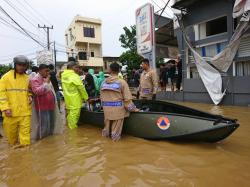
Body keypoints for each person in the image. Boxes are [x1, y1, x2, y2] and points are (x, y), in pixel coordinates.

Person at [100, 63, 139, 141]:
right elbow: (127, 100)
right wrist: (134, 109)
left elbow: (101, 97)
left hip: (107, 111)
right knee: (115, 135)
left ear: (109, 70)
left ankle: (105, 146)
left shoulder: (103, 83)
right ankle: (115, 147)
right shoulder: (122, 82)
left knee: (106, 132)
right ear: (119, 71)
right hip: (118, 112)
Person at [0, 55, 32, 147]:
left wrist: (30, 96)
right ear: (15, 65)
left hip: (25, 112)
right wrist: (5, 108)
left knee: (25, 139)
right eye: (19, 65)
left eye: (24, 65)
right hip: (10, 112)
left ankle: (25, 157)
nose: (22, 67)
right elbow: (1, 94)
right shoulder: (5, 78)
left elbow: (29, 91)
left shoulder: (27, 78)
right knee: (12, 139)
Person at [30, 64, 60, 140]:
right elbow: (37, 91)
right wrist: (46, 83)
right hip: (42, 107)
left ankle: (49, 142)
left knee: (51, 124)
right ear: (40, 70)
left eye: (48, 71)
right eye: (46, 71)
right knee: (43, 126)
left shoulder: (46, 78)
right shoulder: (35, 79)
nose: (48, 73)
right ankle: (41, 142)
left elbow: (51, 90)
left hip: (50, 105)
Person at [61, 61, 88, 129]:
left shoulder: (63, 75)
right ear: (72, 67)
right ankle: (73, 134)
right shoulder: (74, 76)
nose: (79, 69)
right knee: (74, 118)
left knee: (70, 116)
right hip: (75, 101)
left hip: (68, 100)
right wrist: (86, 98)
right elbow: (81, 88)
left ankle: (70, 132)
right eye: (77, 67)